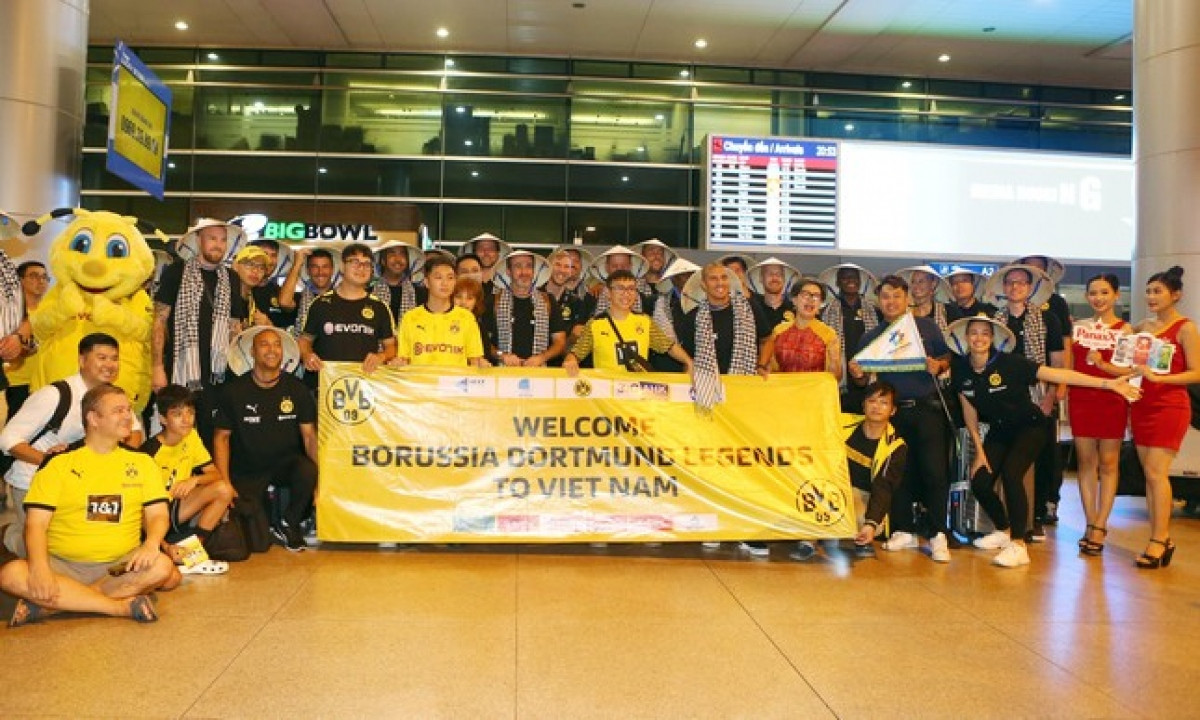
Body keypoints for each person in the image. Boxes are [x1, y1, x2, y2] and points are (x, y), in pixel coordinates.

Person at [946, 316, 1139, 567]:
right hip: (999, 430)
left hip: (1031, 427)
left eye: (985, 333)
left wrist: (1108, 383)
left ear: (993, 338)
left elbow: (1058, 373)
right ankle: (1003, 531)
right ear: (966, 337)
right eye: (973, 333)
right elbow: (968, 408)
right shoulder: (961, 368)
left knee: (1012, 474)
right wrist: (979, 451)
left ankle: (1018, 545)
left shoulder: (1011, 363)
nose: (979, 338)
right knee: (981, 481)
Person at [0, 384, 177, 627]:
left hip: (119, 564)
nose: (128, 416)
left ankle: (54, 605)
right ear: (93, 418)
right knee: (11, 575)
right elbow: (36, 524)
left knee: (161, 567)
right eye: (118, 410)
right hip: (62, 565)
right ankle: (117, 606)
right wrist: (40, 569)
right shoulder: (58, 465)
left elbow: (157, 514)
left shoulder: (143, 463)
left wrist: (151, 543)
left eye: (128, 410)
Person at [0, 333, 144, 557]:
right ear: (82, 360)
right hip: (33, 482)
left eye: (114, 358)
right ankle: (12, 535)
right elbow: (8, 440)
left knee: (90, 546)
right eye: (102, 357)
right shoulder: (54, 395)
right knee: (49, 553)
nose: (110, 365)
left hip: (83, 484)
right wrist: (52, 462)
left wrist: (122, 460)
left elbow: (134, 432)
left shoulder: (114, 397)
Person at [848, 275, 953, 563]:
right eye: (885, 297)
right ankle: (903, 529)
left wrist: (939, 364)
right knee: (898, 474)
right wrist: (857, 375)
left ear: (907, 298)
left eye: (896, 296)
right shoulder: (871, 337)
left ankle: (938, 534)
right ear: (878, 301)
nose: (891, 302)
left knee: (935, 472)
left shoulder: (927, 327)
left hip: (927, 409)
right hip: (893, 415)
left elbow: (947, 358)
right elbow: (861, 384)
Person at [214, 326, 318, 552]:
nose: (272, 350)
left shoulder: (298, 390)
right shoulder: (233, 392)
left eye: (277, 345)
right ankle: (266, 523)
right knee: (258, 545)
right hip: (248, 470)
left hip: (284, 465)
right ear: (252, 352)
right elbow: (221, 439)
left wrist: (319, 484)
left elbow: (309, 437)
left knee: (307, 470)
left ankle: (290, 521)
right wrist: (225, 484)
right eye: (264, 345)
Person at [1126, 267, 1200, 568]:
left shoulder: (1186, 328)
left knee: (1157, 472)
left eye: (1158, 291)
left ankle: (1158, 540)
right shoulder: (1143, 326)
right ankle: (1162, 538)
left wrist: (1159, 379)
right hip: (1141, 404)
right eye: (1149, 291)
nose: (1151, 297)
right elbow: (1124, 356)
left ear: (1176, 295)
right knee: (1150, 474)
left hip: (1170, 405)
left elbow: (1196, 371)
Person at [152, 219, 247, 446]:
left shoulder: (231, 278)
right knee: (175, 431)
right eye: (212, 238)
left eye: (223, 240)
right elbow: (158, 321)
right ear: (198, 240)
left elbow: (235, 326)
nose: (218, 245)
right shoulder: (177, 271)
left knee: (211, 434)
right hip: (181, 368)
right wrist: (156, 367)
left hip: (218, 373)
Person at [988, 264, 1065, 542]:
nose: (1015, 287)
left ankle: (1035, 519)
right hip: (1003, 396)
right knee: (1007, 463)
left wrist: (1051, 396)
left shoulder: (1049, 320)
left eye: (1021, 283)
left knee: (1043, 459)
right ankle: (1004, 523)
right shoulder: (995, 321)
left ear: (1031, 287)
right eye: (1010, 283)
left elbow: (1057, 363)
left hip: (1039, 393)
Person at [139, 384, 235, 574]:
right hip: (155, 515)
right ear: (163, 419)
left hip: (179, 506)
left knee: (224, 489)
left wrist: (194, 480)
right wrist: (163, 546)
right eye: (177, 414)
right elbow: (140, 509)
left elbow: (214, 474)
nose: (186, 420)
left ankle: (191, 553)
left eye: (190, 413)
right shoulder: (149, 453)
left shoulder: (191, 437)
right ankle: (174, 552)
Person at [1066, 274, 1131, 556]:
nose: (1098, 298)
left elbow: (1130, 371)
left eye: (1104, 292)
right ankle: (1090, 521)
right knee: (1085, 462)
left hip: (1112, 399)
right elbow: (1069, 366)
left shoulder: (1127, 330)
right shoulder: (1079, 328)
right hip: (1081, 399)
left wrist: (1103, 364)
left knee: (1108, 463)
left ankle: (1101, 525)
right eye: (1093, 293)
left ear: (1116, 295)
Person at [1016, 254, 1073, 526]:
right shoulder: (999, 314)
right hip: (1009, 393)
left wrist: (1057, 388)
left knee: (1046, 450)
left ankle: (1044, 505)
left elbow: (1062, 351)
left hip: (1042, 390)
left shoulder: (1052, 312)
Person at [563, 270, 692, 376]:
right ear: (608, 293)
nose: (626, 294)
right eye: (620, 288)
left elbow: (668, 346)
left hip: (637, 395)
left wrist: (689, 362)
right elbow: (577, 352)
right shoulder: (595, 324)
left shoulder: (645, 321)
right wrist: (571, 360)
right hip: (607, 394)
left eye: (631, 289)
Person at [298, 243, 396, 379]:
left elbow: (391, 347)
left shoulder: (380, 307)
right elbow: (304, 340)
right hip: (324, 385)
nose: (361, 268)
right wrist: (306, 355)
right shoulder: (320, 304)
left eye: (366, 264)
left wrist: (381, 356)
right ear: (342, 267)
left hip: (363, 386)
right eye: (355, 262)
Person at [836, 382, 908, 560]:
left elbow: (884, 488)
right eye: (872, 401)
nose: (876, 407)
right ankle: (807, 542)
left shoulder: (895, 447)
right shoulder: (841, 423)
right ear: (863, 405)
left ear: (893, 410)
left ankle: (860, 536)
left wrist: (871, 524)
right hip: (832, 487)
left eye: (884, 403)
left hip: (864, 497)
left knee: (862, 523)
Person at [392, 255, 486, 368]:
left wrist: (482, 364)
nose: (445, 283)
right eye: (438, 277)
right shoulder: (410, 318)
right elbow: (404, 358)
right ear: (426, 282)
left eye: (450, 278)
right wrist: (397, 363)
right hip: (421, 383)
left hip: (454, 384)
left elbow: (475, 359)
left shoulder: (466, 318)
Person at [820, 264, 881, 413]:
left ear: (860, 282)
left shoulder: (874, 311)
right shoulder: (826, 311)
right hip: (840, 385)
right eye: (845, 277)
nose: (850, 280)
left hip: (868, 381)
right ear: (838, 282)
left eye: (854, 277)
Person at [492, 251, 568, 367]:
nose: (524, 272)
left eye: (529, 266)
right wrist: (502, 355)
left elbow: (560, 341)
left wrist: (542, 357)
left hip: (539, 374)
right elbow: (482, 342)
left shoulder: (548, 301)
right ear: (508, 271)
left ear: (533, 271)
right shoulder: (493, 301)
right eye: (518, 266)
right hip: (503, 375)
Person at [757, 278, 841, 379]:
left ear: (820, 304)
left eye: (816, 296)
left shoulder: (828, 334)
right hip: (783, 391)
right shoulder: (778, 331)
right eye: (805, 294)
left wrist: (834, 362)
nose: (810, 299)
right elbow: (770, 369)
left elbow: (836, 378)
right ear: (794, 299)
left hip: (815, 392)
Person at [4, 261, 50, 420]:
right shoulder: (9, 313)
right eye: (34, 276)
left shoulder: (51, 312)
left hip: (46, 380)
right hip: (18, 382)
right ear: (19, 280)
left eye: (45, 277)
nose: (41, 281)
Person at [278, 247, 338, 338]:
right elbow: (284, 302)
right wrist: (297, 264)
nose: (320, 272)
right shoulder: (300, 298)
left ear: (332, 270)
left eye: (325, 267)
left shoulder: (342, 298)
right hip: (303, 350)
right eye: (315, 267)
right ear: (307, 270)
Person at [371, 240, 428, 328]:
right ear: (382, 261)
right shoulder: (370, 293)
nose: (398, 259)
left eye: (402, 254)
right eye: (392, 254)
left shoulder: (421, 294)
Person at [452, 277, 495, 366]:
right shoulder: (442, 323)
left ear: (476, 302)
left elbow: (484, 356)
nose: (463, 302)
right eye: (458, 297)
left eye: (469, 298)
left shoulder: (479, 327)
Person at [897, 265, 951, 333]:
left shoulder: (947, 311)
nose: (916, 286)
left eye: (921, 281)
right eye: (913, 282)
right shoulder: (903, 312)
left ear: (933, 284)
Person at [230, 245, 272, 328]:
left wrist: (268, 325)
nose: (256, 270)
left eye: (261, 267)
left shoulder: (258, 298)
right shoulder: (225, 297)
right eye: (250, 264)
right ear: (235, 266)